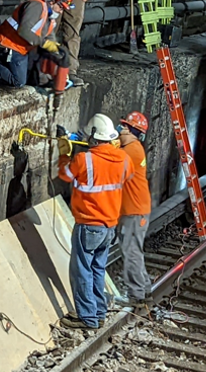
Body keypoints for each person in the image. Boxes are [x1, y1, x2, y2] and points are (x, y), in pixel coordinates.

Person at [57, 113, 134, 329]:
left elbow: (65, 175)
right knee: (98, 269)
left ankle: (87, 318)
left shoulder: (84, 159)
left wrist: (64, 153)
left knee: (81, 270)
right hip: (109, 227)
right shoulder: (124, 159)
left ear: (92, 136)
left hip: (89, 225)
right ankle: (99, 313)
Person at [0, 0, 72, 88]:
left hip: (23, 48)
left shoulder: (49, 15)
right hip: (9, 44)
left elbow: (49, 37)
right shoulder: (36, 6)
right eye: (61, 7)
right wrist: (44, 43)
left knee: (34, 77)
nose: (61, 11)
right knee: (19, 82)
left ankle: (1, 63)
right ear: (51, 0)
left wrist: (59, 61)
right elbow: (24, 31)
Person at [117, 111, 153, 306]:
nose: (120, 130)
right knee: (134, 250)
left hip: (134, 210)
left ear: (132, 131)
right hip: (136, 209)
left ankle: (136, 294)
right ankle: (144, 287)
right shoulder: (132, 147)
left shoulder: (131, 150)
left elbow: (108, 161)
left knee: (130, 250)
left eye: (124, 127)